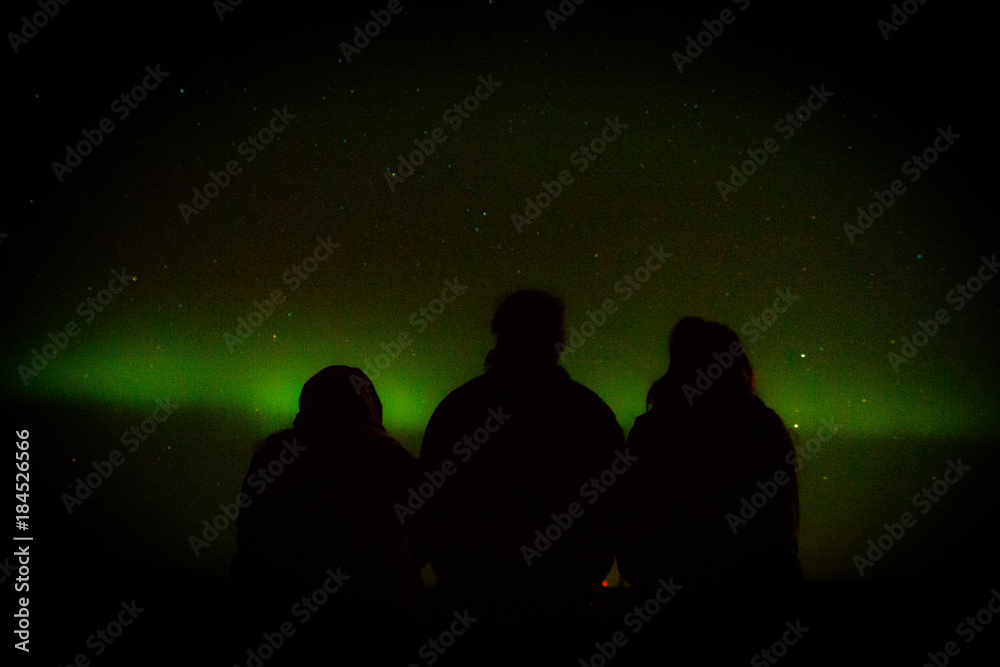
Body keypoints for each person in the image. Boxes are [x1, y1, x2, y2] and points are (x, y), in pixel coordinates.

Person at [414, 289, 625, 664]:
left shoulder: (458, 411)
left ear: (499, 334)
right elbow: (610, 515)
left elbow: (430, 510)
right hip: (562, 617)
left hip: (470, 616)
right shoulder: (588, 415)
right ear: (559, 339)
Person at [615, 316, 805, 663]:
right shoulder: (761, 427)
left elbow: (632, 523)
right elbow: (779, 525)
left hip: (671, 611)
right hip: (758, 606)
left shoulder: (653, 431)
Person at [229, 365, 425, 664]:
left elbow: (250, 540)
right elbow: (425, 540)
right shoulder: (392, 461)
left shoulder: (272, 457)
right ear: (369, 404)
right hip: (375, 639)